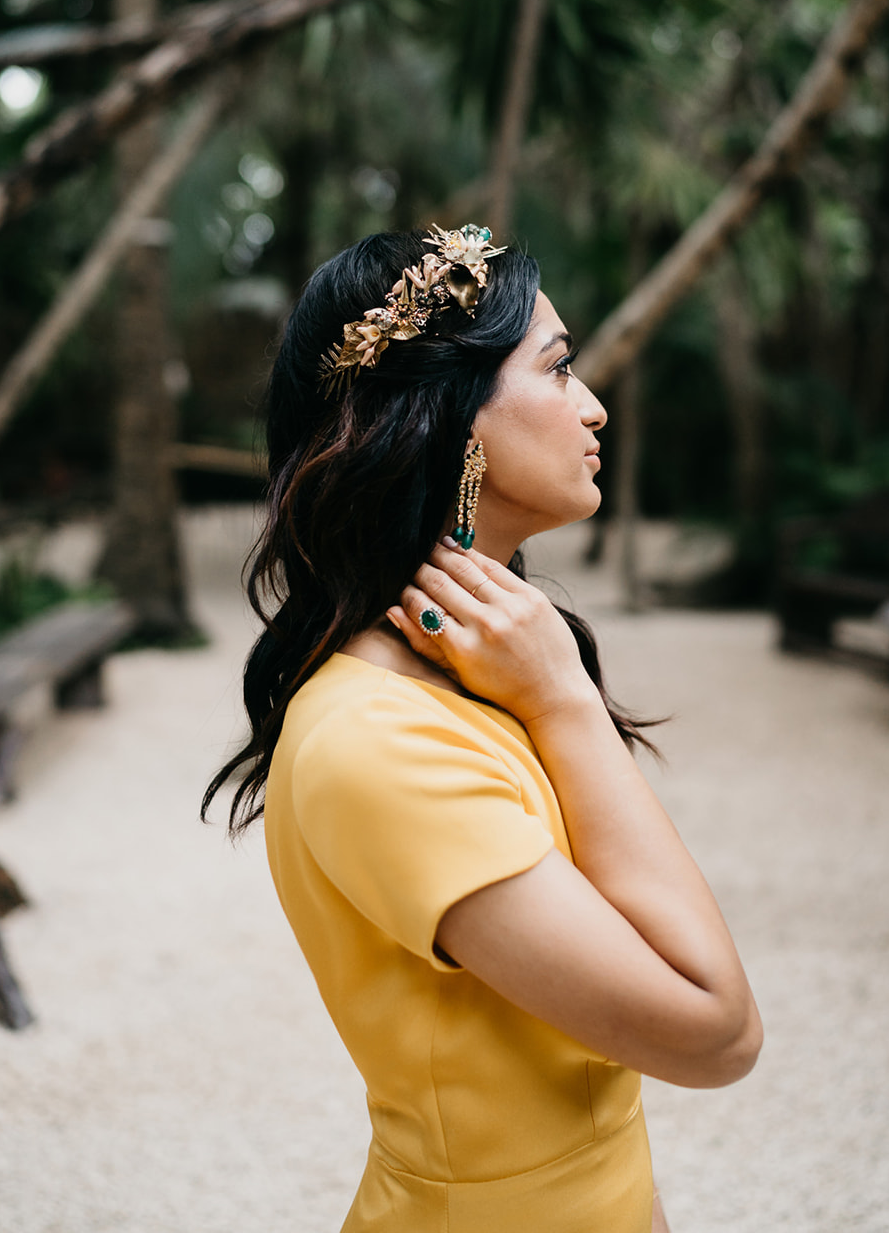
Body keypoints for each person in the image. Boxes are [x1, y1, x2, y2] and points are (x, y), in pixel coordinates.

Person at [203, 225, 762, 1233]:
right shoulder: (379, 737)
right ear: (455, 424)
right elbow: (713, 1033)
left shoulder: (468, 677)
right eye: (556, 369)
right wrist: (563, 704)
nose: (593, 405)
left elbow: (589, 1098)